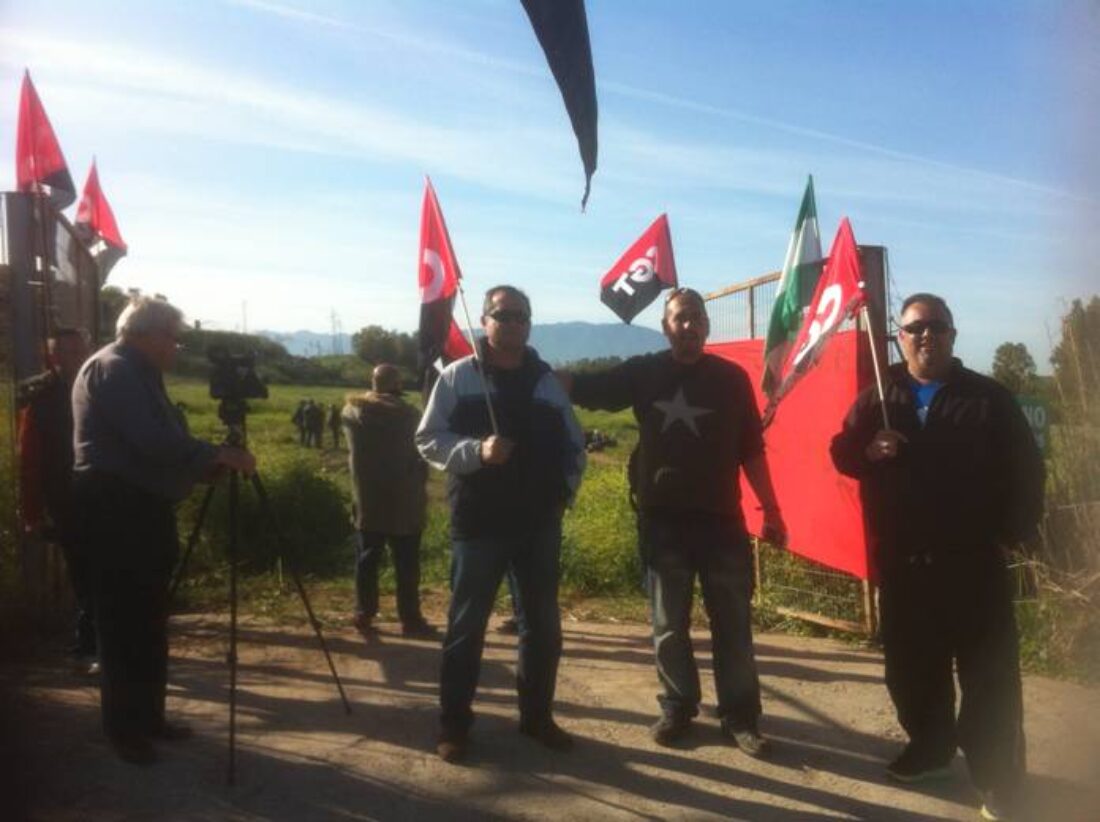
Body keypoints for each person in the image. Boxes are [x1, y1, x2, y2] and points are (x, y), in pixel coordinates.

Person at [830, 293, 1044, 821]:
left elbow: (1027, 470)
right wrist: (867, 451)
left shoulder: (988, 399)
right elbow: (840, 451)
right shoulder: (878, 399)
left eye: (937, 327)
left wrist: (1012, 533)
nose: (926, 335)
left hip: (973, 567)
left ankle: (998, 780)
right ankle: (930, 749)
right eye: (914, 328)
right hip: (905, 568)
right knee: (910, 673)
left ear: (953, 335)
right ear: (899, 338)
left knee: (989, 679)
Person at [558, 287, 785, 757]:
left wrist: (772, 509)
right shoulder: (645, 372)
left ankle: (740, 717)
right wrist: (545, 376)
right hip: (662, 523)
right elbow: (591, 389)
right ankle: (678, 706)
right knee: (667, 625)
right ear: (666, 327)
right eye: (680, 318)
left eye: (697, 317)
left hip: (723, 521)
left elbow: (752, 450)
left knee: (734, 626)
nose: (690, 325)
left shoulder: (731, 379)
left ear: (706, 326)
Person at [71, 296, 256, 766]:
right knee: (121, 623)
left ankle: (149, 717)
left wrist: (202, 464)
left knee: (150, 617)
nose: (177, 347)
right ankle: (123, 728)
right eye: (173, 337)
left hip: (141, 509)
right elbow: (152, 440)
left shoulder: (137, 371)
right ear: (146, 334)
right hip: (115, 510)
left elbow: (160, 445)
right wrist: (212, 455)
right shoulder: (115, 368)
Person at [416, 285, 585, 763]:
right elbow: (428, 439)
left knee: (543, 628)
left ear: (530, 323)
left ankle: (536, 719)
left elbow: (574, 445)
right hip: (479, 525)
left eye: (521, 316)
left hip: (538, 525)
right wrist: (475, 452)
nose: (512, 323)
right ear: (484, 321)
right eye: (502, 315)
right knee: (467, 627)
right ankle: (454, 726)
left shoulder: (546, 382)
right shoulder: (456, 377)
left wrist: (563, 497)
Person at [17, 328, 92, 664]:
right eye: (65, 351)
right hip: (66, 498)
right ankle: (91, 639)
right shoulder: (42, 398)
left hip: (106, 494)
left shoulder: (103, 387)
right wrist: (32, 511)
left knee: (102, 569)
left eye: (79, 351)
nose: (73, 358)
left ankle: (95, 638)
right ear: (54, 356)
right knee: (83, 569)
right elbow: (30, 458)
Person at [342, 364, 433, 639]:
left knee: (367, 559)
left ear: (373, 382)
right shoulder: (409, 415)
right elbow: (421, 450)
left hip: (368, 499)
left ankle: (364, 612)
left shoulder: (351, 412)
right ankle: (410, 618)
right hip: (405, 500)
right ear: (398, 384)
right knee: (406, 563)